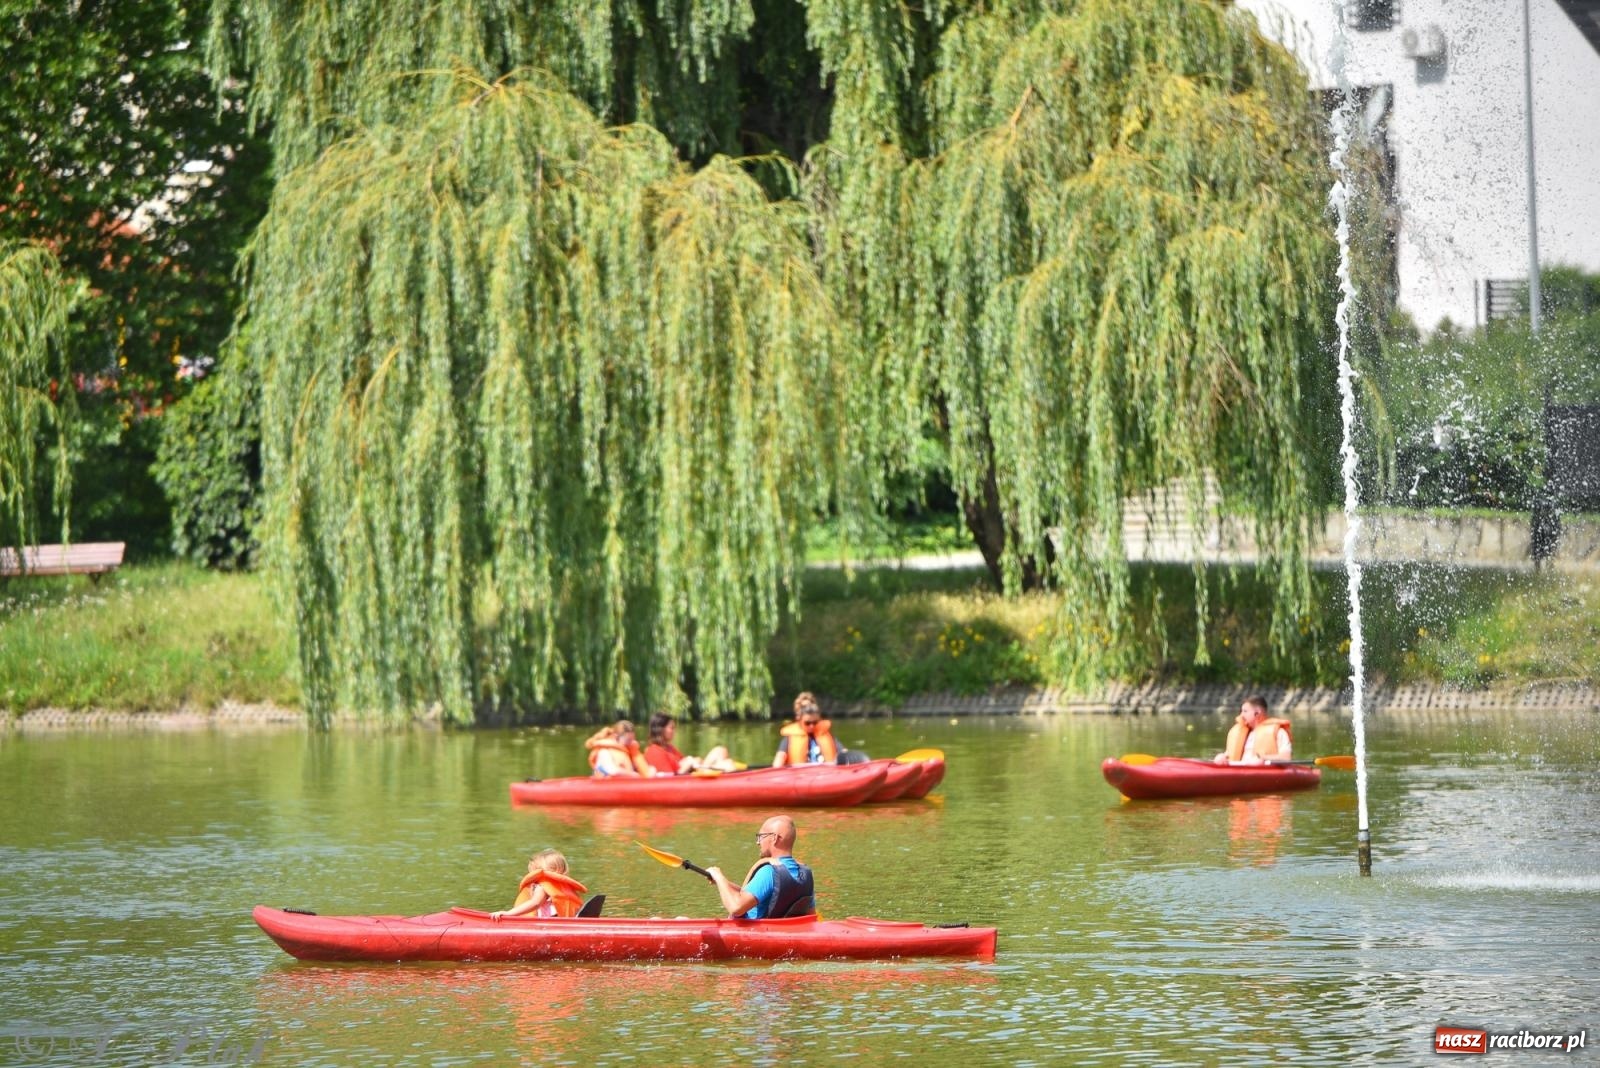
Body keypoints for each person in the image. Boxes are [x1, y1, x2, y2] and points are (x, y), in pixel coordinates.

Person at [706, 815, 816, 920]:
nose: (758, 842)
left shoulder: (768, 872)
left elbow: (736, 908)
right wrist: (724, 883)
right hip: (781, 932)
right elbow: (810, 915)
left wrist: (719, 876)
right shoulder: (805, 874)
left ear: (774, 838)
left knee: (687, 919)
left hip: (752, 933)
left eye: (761, 837)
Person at [491, 849, 587, 920]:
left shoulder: (542, 886)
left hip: (548, 925)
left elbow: (535, 903)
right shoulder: (564, 887)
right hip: (563, 922)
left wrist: (509, 913)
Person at [643, 712, 739, 775]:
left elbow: (683, 761)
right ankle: (728, 780)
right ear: (661, 730)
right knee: (728, 765)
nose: (674, 731)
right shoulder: (654, 751)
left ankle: (724, 776)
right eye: (671, 728)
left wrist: (693, 761)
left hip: (691, 772)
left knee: (720, 751)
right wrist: (688, 764)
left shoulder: (669, 748)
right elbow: (670, 779)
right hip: (683, 779)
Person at [1215, 696, 1293, 765]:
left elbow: (1286, 758)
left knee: (1257, 762)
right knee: (1219, 758)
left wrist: (1263, 758)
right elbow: (1229, 754)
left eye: (1245, 711)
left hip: (1262, 771)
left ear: (1257, 713)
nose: (1241, 715)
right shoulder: (1241, 732)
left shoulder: (1279, 732)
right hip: (1238, 770)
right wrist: (1222, 757)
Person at [772, 692, 840, 766]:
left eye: (815, 723)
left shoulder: (827, 734)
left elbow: (843, 752)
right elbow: (779, 759)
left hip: (826, 773)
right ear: (799, 719)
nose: (812, 726)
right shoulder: (789, 738)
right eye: (807, 723)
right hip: (801, 775)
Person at [586, 720, 651, 777]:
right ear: (615, 737)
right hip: (606, 788)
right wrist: (633, 774)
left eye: (632, 740)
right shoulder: (604, 752)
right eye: (628, 740)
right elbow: (613, 771)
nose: (631, 743)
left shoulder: (628, 751)